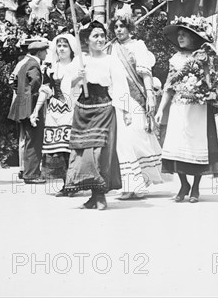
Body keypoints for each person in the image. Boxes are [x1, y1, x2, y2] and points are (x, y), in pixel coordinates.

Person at [154, 16, 218, 203]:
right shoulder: (175, 59)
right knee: (177, 146)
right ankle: (183, 183)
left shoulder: (204, 57)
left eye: (184, 35)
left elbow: (211, 81)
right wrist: (161, 109)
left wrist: (208, 91)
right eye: (178, 35)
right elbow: (169, 86)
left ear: (194, 37)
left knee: (197, 147)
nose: (180, 38)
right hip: (179, 107)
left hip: (198, 108)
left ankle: (195, 187)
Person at [64, 21, 131, 210]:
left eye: (102, 35)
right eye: (95, 36)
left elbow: (120, 84)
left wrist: (125, 111)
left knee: (100, 152)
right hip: (83, 108)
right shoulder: (80, 60)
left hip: (104, 107)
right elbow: (65, 85)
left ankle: (100, 194)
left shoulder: (111, 60)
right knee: (84, 153)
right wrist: (77, 77)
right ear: (87, 39)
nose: (100, 39)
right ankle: (93, 195)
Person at [110, 13, 164, 200]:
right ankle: (129, 185)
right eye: (116, 26)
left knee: (137, 138)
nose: (119, 29)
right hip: (119, 98)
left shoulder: (138, 46)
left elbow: (145, 73)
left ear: (129, 28)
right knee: (123, 142)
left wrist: (150, 96)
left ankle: (140, 183)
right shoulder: (112, 48)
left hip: (137, 97)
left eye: (122, 26)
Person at [29, 34, 78, 195]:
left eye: (65, 45)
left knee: (71, 150)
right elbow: (45, 91)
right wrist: (36, 111)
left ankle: (75, 183)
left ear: (72, 48)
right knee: (59, 151)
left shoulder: (77, 65)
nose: (62, 48)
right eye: (59, 45)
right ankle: (67, 184)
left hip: (73, 110)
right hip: (55, 112)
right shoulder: (52, 68)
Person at [8, 40, 49, 184]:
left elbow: (14, 82)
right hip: (31, 107)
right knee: (35, 140)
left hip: (22, 106)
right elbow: (36, 82)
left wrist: (22, 94)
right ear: (39, 52)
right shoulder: (34, 64)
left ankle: (27, 172)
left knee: (28, 140)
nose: (46, 53)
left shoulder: (24, 63)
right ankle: (32, 175)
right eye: (45, 51)